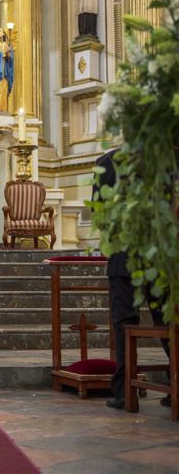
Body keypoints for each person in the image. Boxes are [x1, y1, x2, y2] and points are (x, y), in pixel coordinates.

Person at [93, 149, 171, 409]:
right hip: (158, 256)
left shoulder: (106, 162)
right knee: (168, 322)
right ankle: (176, 384)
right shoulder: (164, 157)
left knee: (124, 325)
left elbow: (100, 214)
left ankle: (125, 392)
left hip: (123, 257)